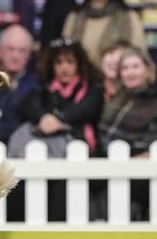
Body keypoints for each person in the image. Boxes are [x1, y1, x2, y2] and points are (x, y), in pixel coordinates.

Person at [10, 39, 102, 221]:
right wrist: (45, 118)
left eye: (69, 62)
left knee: (62, 188)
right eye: (59, 63)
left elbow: (86, 109)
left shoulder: (93, 92)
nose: (64, 68)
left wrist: (58, 119)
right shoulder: (42, 92)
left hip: (80, 158)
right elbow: (30, 106)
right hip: (42, 159)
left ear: (79, 65)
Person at [96, 46, 157, 221]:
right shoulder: (113, 100)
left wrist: (137, 159)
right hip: (108, 164)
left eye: (135, 66)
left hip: (146, 170)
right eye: (125, 68)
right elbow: (104, 133)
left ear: (147, 69)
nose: (130, 72)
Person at [62, 0, 146, 70]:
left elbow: (139, 53)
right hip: (81, 81)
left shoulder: (128, 17)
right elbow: (64, 54)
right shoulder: (74, 17)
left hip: (119, 81)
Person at [0, 25, 38, 144]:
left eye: (22, 50)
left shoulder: (38, 87)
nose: (15, 56)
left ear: (29, 55)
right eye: (10, 49)